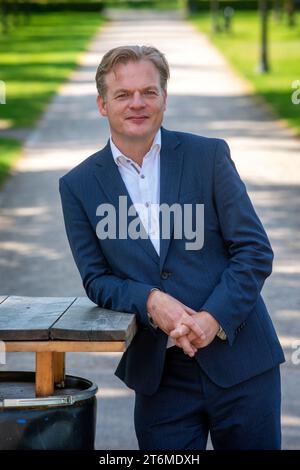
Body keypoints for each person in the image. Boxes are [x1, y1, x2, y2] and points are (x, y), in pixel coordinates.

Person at [59, 45, 285, 450]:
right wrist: (151, 301)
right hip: (160, 377)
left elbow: (254, 251)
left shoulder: (209, 156)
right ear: (102, 104)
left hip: (243, 363)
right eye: (123, 95)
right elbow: (97, 279)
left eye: (149, 91)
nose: (137, 103)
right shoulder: (77, 186)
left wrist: (212, 318)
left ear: (165, 97)